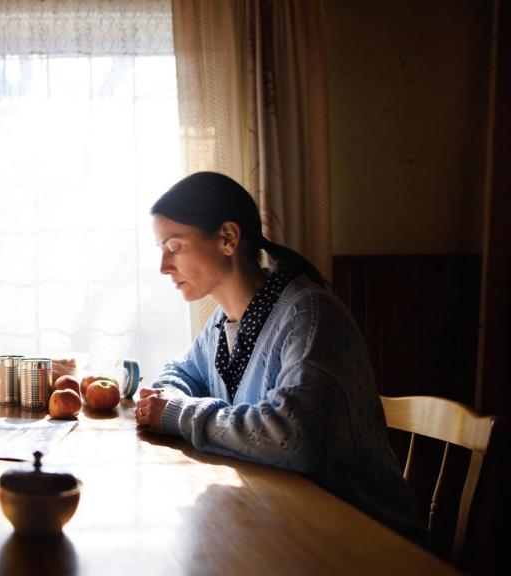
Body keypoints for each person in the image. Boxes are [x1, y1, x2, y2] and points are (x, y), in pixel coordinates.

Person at [134, 171, 422, 541]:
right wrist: (169, 396)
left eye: (174, 247)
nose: (164, 267)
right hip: (290, 524)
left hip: (367, 539)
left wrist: (177, 412)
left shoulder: (309, 314)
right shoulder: (224, 322)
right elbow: (182, 372)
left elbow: (295, 436)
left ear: (227, 238)